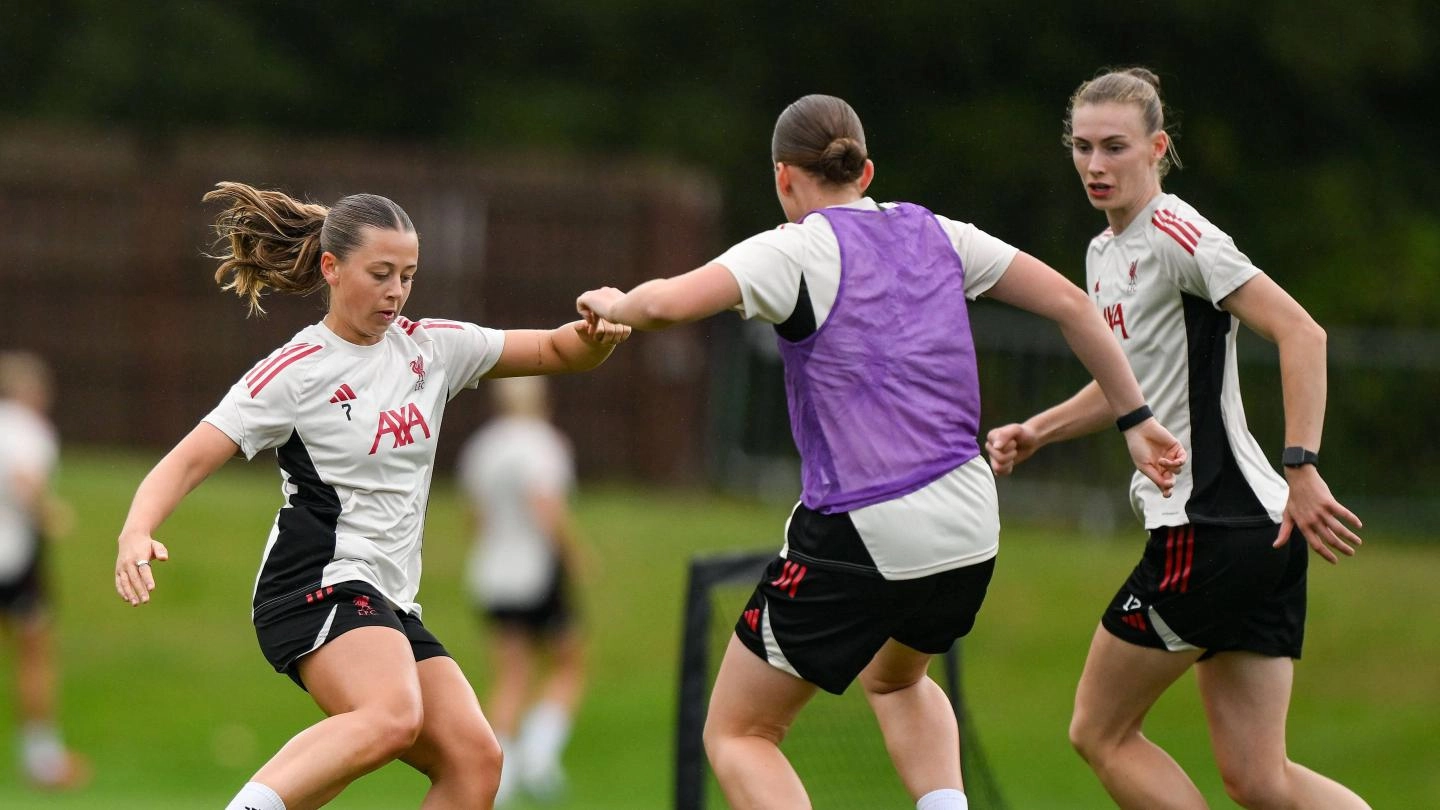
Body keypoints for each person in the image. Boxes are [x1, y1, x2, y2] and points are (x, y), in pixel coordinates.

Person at [575, 94, 1184, 810]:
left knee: (741, 732)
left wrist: (613, 302)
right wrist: (1135, 418)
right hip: (969, 524)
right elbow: (1073, 306)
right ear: (866, 172)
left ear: (783, 178)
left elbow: (669, 304)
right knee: (896, 679)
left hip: (865, 522)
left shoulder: (793, 248)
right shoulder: (936, 232)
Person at [112, 182, 629, 810]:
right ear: (332, 268)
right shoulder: (297, 370)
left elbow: (553, 348)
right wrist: (136, 529)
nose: (397, 290)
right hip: (314, 583)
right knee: (390, 715)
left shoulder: (431, 347)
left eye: (408, 275)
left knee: (476, 761)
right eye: (381, 273)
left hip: (387, 598)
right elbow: (189, 458)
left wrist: (596, 335)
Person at [984, 67, 1369, 809]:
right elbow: (1129, 388)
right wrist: (1039, 430)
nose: (1095, 165)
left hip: (1210, 528)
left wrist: (1304, 466)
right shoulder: (1105, 254)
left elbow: (1301, 332)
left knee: (1099, 732)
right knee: (1262, 781)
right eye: (1083, 147)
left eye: (1115, 147)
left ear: (1156, 147)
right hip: (1257, 537)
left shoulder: (1176, 233)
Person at [457, 375, 587, 806]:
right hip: (537, 571)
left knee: (510, 673)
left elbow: (475, 517)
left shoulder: (483, 447)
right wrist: (575, 555)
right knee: (569, 662)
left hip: (492, 572)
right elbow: (544, 504)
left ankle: (503, 771)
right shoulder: (543, 444)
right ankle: (539, 754)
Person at [0, 351, 89, 791]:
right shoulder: (29, 429)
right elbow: (24, 477)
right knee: (34, 654)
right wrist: (48, 511)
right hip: (14, 559)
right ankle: (42, 759)